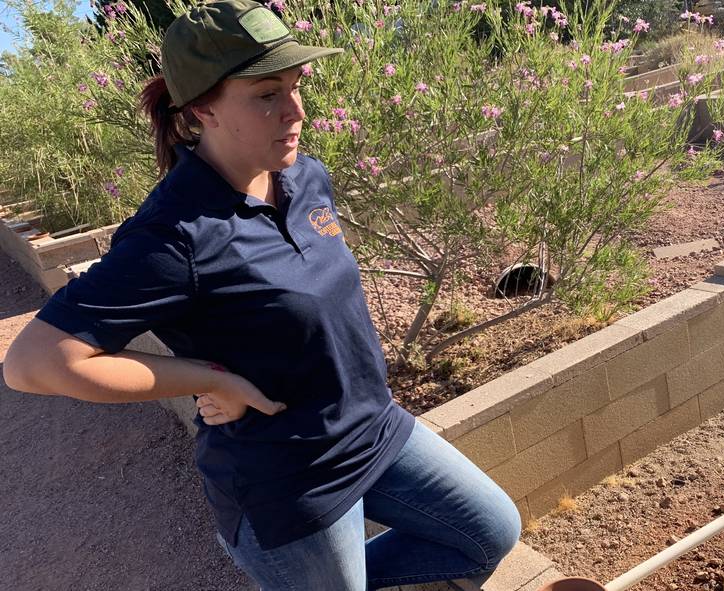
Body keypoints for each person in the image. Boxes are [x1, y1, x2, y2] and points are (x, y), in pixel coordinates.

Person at [1, 1, 521, 589]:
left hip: (374, 430)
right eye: (266, 94)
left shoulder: (305, 177)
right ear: (202, 110)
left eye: (296, 86)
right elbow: (33, 364)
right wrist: (209, 378)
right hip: (288, 481)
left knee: (489, 531)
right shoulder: (173, 235)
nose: (295, 111)